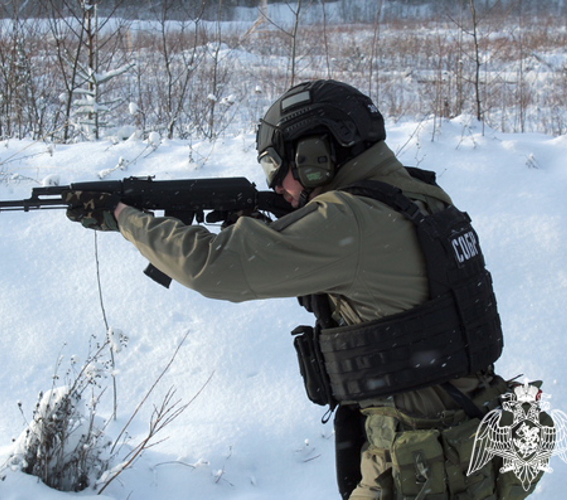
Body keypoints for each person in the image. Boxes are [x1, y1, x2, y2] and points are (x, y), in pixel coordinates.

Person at [63, 80, 541, 499]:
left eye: (279, 163)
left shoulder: (350, 218)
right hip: (463, 447)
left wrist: (126, 219)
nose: (280, 184)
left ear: (318, 153)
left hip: (419, 465)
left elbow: (213, 268)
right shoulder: (421, 196)